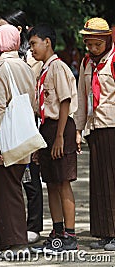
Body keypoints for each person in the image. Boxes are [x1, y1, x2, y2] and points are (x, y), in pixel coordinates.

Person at [28, 24, 78, 254]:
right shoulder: (42, 69)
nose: (31, 49)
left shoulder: (58, 68)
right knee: (51, 182)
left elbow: (65, 101)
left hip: (61, 127)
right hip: (47, 128)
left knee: (63, 181)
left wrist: (59, 137)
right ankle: (57, 231)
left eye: (34, 44)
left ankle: (70, 234)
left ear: (47, 42)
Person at [0, 24, 36, 256]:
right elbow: (33, 103)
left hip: (6, 137)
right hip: (23, 134)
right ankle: (1, 235)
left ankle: (16, 239)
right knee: (12, 185)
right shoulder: (27, 67)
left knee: (7, 189)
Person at [0, 10, 44, 244]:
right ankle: (20, 227)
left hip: (20, 125)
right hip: (19, 125)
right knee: (20, 178)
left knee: (28, 178)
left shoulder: (31, 60)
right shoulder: (21, 62)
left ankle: (32, 225)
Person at [74, 18, 115, 251]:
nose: (92, 49)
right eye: (89, 44)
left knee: (112, 181)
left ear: (107, 40)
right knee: (99, 182)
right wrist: (78, 130)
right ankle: (103, 231)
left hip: (113, 125)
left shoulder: (114, 60)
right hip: (95, 127)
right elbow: (81, 97)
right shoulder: (87, 63)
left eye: (96, 45)